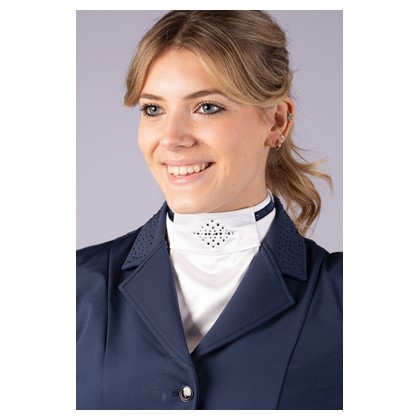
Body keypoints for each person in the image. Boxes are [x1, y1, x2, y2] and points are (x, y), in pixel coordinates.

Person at [76, 10, 342, 410]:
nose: (172, 138)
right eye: (153, 109)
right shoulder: (75, 287)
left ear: (277, 122)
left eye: (206, 107)